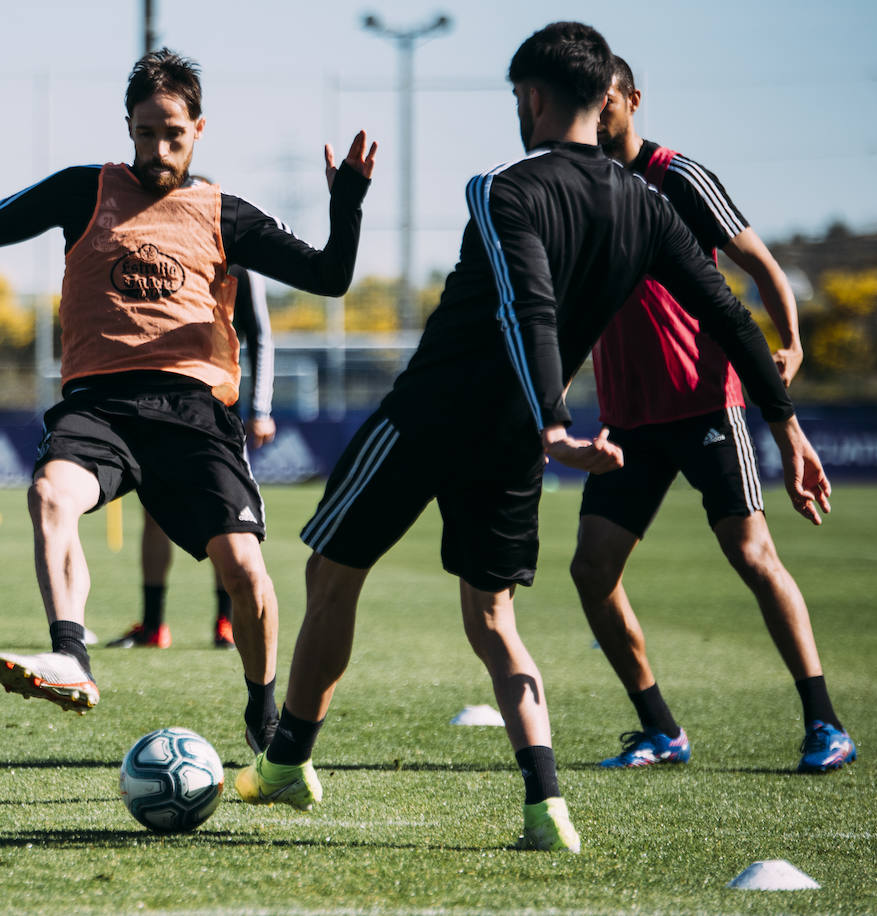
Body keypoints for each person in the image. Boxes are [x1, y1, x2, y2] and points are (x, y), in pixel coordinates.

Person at [234, 21, 831, 853]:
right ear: (605, 96)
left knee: (332, 574)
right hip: (515, 440)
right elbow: (729, 314)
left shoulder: (502, 185)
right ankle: (546, 807)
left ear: (534, 97)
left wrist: (554, 418)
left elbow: (528, 307)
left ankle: (290, 760)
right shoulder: (647, 205)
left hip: (430, 416)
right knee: (492, 616)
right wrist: (786, 424)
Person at [0, 48, 376, 752]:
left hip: (194, 415)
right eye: (146, 131)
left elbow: (332, 277)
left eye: (174, 133)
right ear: (128, 125)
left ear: (199, 129)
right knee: (49, 496)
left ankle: (262, 711)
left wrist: (346, 205)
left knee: (245, 570)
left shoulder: (227, 214)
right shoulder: (82, 191)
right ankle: (71, 654)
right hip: (99, 409)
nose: (159, 147)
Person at [568, 57, 855, 773]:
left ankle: (825, 724)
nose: (597, 112)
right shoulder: (579, 191)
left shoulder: (679, 178)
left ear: (633, 100)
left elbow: (759, 263)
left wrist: (791, 344)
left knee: (752, 555)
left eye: (607, 100)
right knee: (591, 570)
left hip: (704, 401)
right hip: (628, 418)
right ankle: (660, 729)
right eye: (586, 101)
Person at [108, 261, 276, 650]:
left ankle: (226, 623)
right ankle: (153, 626)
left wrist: (262, 409)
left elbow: (261, 337)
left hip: (218, 410)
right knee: (152, 515)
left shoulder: (242, 265)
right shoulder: (168, 254)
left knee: (228, 522)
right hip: (160, 404)